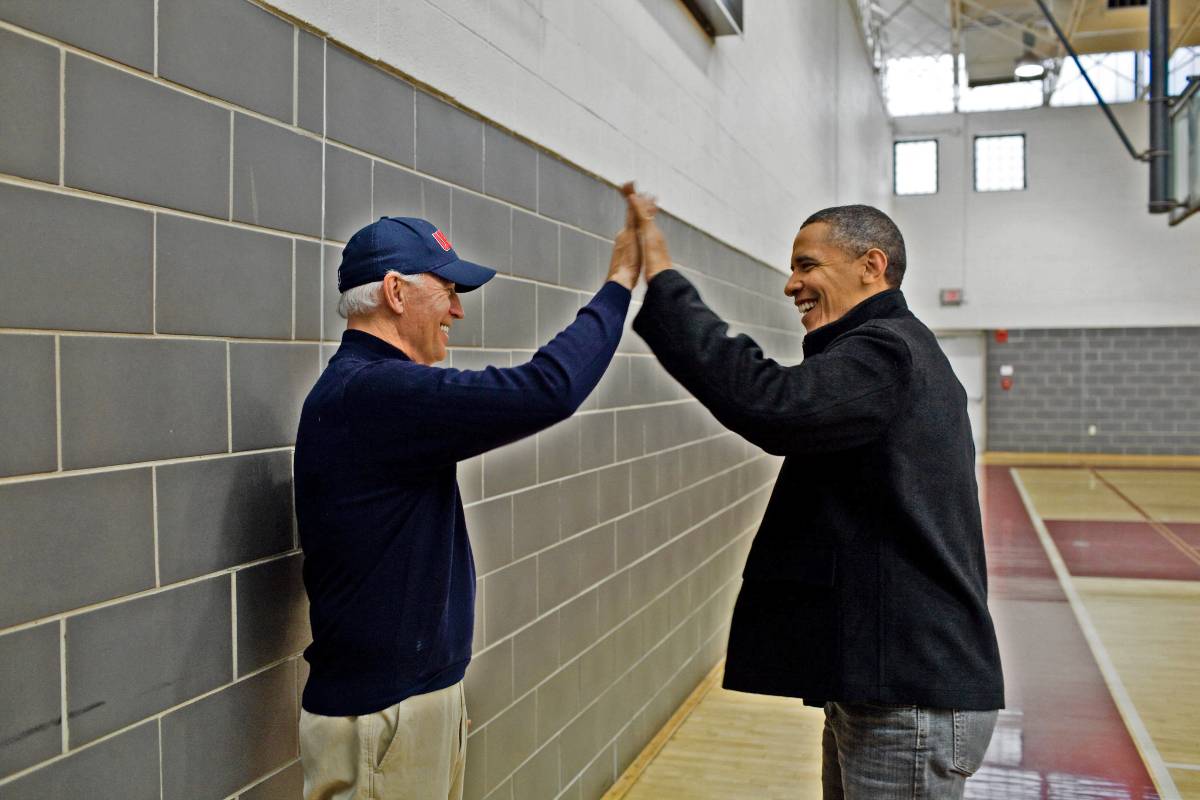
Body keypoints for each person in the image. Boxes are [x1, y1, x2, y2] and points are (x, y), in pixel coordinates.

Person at [626, 195, 1004, 799]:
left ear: (870, 266)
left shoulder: (887, 352)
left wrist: (667, 284)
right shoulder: (887, 352)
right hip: (888, 686)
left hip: (908, 695)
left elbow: (770, 403)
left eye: (807, 266)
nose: (791, 284)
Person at [294, 191, 641, 800]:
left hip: (407, 705)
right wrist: (618, 285)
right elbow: (547, 390)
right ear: (397, 293)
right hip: (386, 714)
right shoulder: (375, 394)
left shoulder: (370, 392)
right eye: (447, 290)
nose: (456, 310)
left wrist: (441, 699)